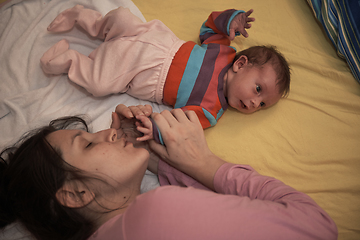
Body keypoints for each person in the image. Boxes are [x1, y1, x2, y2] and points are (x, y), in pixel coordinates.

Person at [0, 105, 337, 240]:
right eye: (88, 144)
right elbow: (318, 227)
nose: (108, 132)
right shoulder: (156, 213)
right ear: (75, 193)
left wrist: (152, 158)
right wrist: (202, 161)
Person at [40, 5, 291, 142]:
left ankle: (66, 60)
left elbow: (177, 124)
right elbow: (210, 24)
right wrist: (231, 20)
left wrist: (155, 130)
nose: (254, 103)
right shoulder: (223, 50)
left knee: (98, 82)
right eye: (258, 90)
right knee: (121, 17)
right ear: (241, 64)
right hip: (159, 40)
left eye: (262, 104)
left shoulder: (210, 111)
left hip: (144, 74)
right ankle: (81, 17)